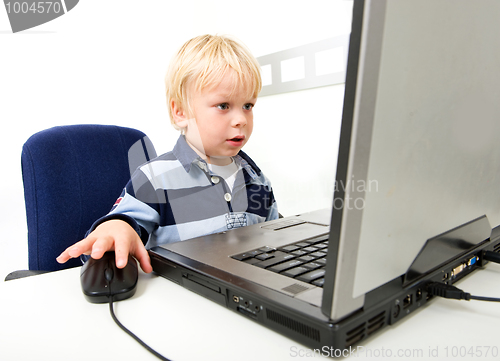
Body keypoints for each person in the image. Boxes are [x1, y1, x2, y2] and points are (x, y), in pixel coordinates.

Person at [56, 34, 279, 273]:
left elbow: (276, 239)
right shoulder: (155, 178)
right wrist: (117, 228)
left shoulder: (257, 179)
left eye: (248, 106)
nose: (240, 120)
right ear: (180, 112)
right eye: (223, 106)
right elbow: (124, 225)